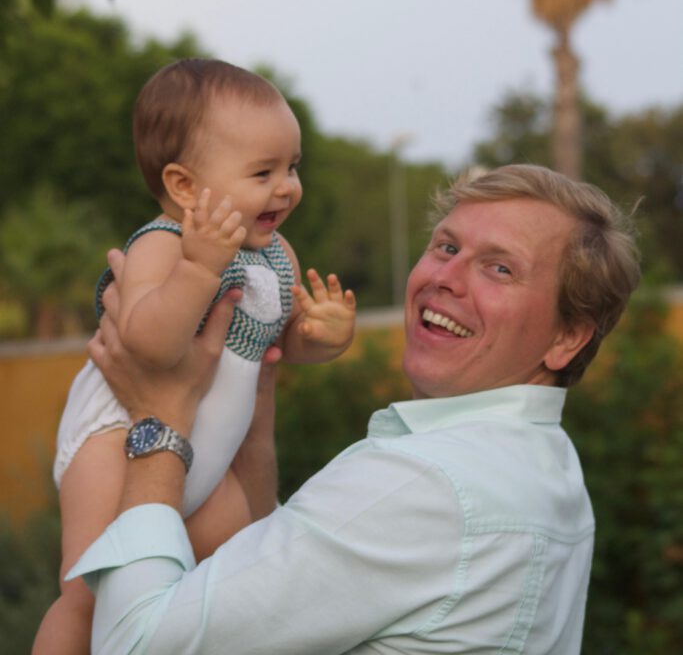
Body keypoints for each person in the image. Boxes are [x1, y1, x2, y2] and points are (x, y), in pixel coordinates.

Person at [70, 164, 640, 654]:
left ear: (567, 338)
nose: (445, 278)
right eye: (446, 247)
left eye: (500, 268)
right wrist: (255, 403)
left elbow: (136, 642)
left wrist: (160, 420)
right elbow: (272, 575)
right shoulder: (545, 464)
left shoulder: (426, 485)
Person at [33, 58, 356, 655]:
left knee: (227, 572)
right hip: (119, 437)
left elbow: (279, 343)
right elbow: (148, 345)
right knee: (89, 591)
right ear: (185, 187)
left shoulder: (274, 252)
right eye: (262, 171)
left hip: (207, 457)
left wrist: (321, 337)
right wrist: (199, 270)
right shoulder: (165, 245)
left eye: (292, 167)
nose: (286, 187)